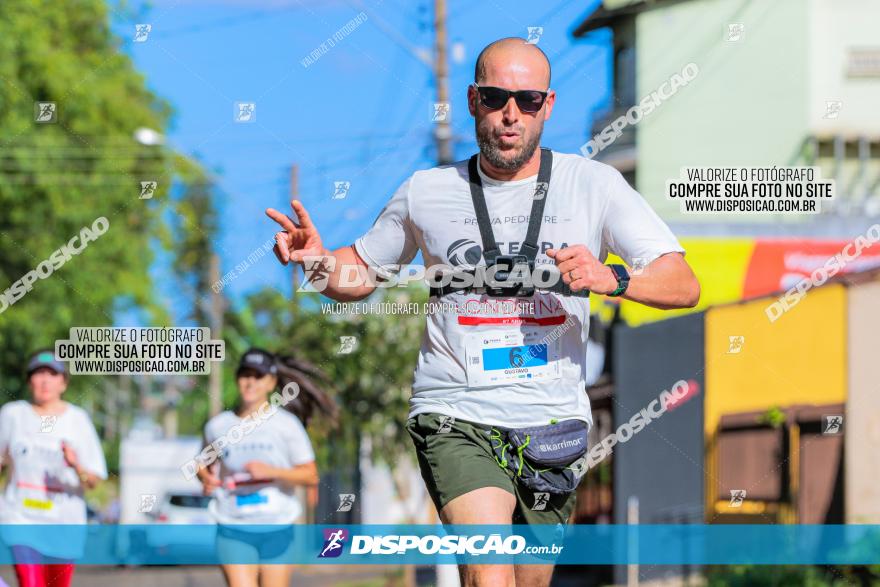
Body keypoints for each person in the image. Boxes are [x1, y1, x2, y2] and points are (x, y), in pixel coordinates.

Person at [268, 37, 700, 587]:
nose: (510, 114)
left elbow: (683, 283)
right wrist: (315, 264)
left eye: (528, 99)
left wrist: (612, 276)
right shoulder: (427, 192)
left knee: (529, 580)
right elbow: (359, 274)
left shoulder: (592, 185)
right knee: (488, 573)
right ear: (473, 100)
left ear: (549, 105)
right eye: (496, 97)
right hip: (455, 411)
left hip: (551, 419)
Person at [196, 347, 335, 587]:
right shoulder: (217, 426)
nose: (250, 382)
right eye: (245, 375)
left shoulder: (286, 425)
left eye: (258, 376)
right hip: (232, 525)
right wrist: (205, 478)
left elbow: (310, 475)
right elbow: (202, 463)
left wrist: (272, 472)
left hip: (277, 525)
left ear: (271, 383)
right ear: (237, 379)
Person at [0, 350, 107, 587]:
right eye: (38, 374)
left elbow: (94, 480)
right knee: (31, 583)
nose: (45, 380)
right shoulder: (12, 415)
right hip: (20, 517)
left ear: (63, 383)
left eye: (52, 374)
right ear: (29, 381)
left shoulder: (78, 420)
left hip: (63, 521)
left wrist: (76, 465)